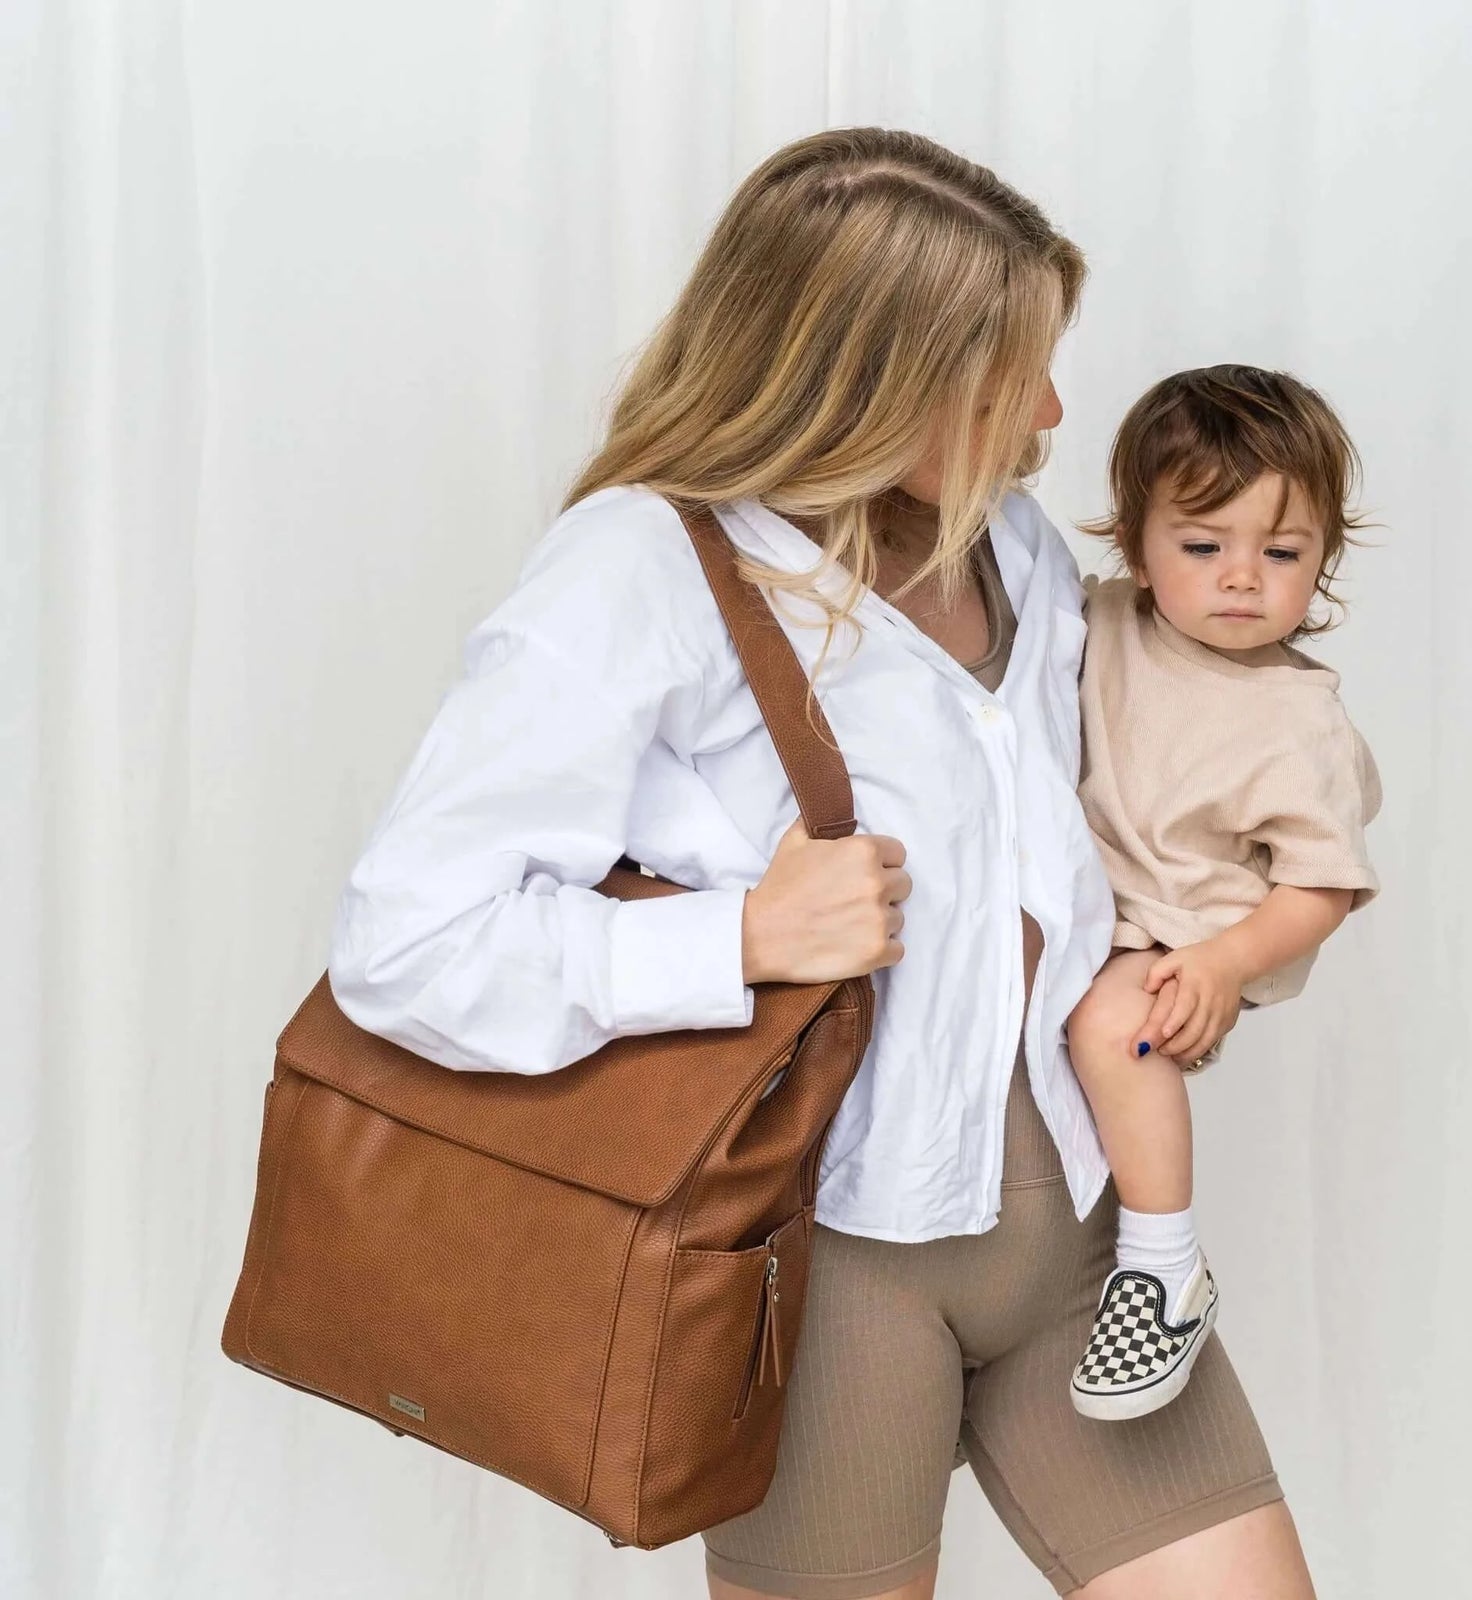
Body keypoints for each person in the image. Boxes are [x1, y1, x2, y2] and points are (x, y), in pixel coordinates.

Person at [328, 130, 1317, 1599]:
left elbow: (1095, 843)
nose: (1053, 412)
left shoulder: (1016, 548)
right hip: (826, 1274)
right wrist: (738, 937)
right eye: (1013, 375)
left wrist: (1221, 952)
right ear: (873, 378)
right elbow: (404, 946)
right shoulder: (639, 569)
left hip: (1082, 1245)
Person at [1063, 367, 1382, 1425]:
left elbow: (1320, 886)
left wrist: (1220, 963)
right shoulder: (1104, 619)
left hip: (1178, 936)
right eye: (1203, 546)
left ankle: (1164, 1266)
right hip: (1082, 903)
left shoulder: (1298, 719)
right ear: (1135, 546)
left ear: (1322, 558)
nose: (1241, 578)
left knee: (1113, 1027)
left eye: (1281, 554)